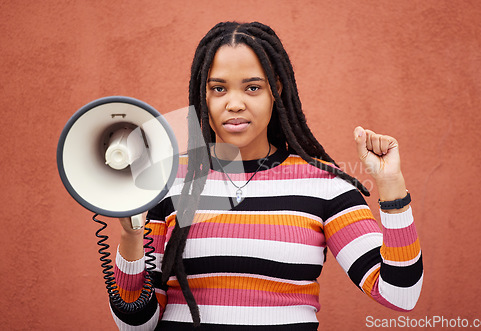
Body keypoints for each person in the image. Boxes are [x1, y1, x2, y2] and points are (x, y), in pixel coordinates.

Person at [111, 21, 423, 330]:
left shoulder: (324, 185)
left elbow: (400, 294)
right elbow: (135, 325)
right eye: (219, 88)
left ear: (277, 89)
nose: (235, 104)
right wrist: (131, 235)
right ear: (203, 94)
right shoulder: (167, 180)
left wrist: (392, 186)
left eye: (253, 87)